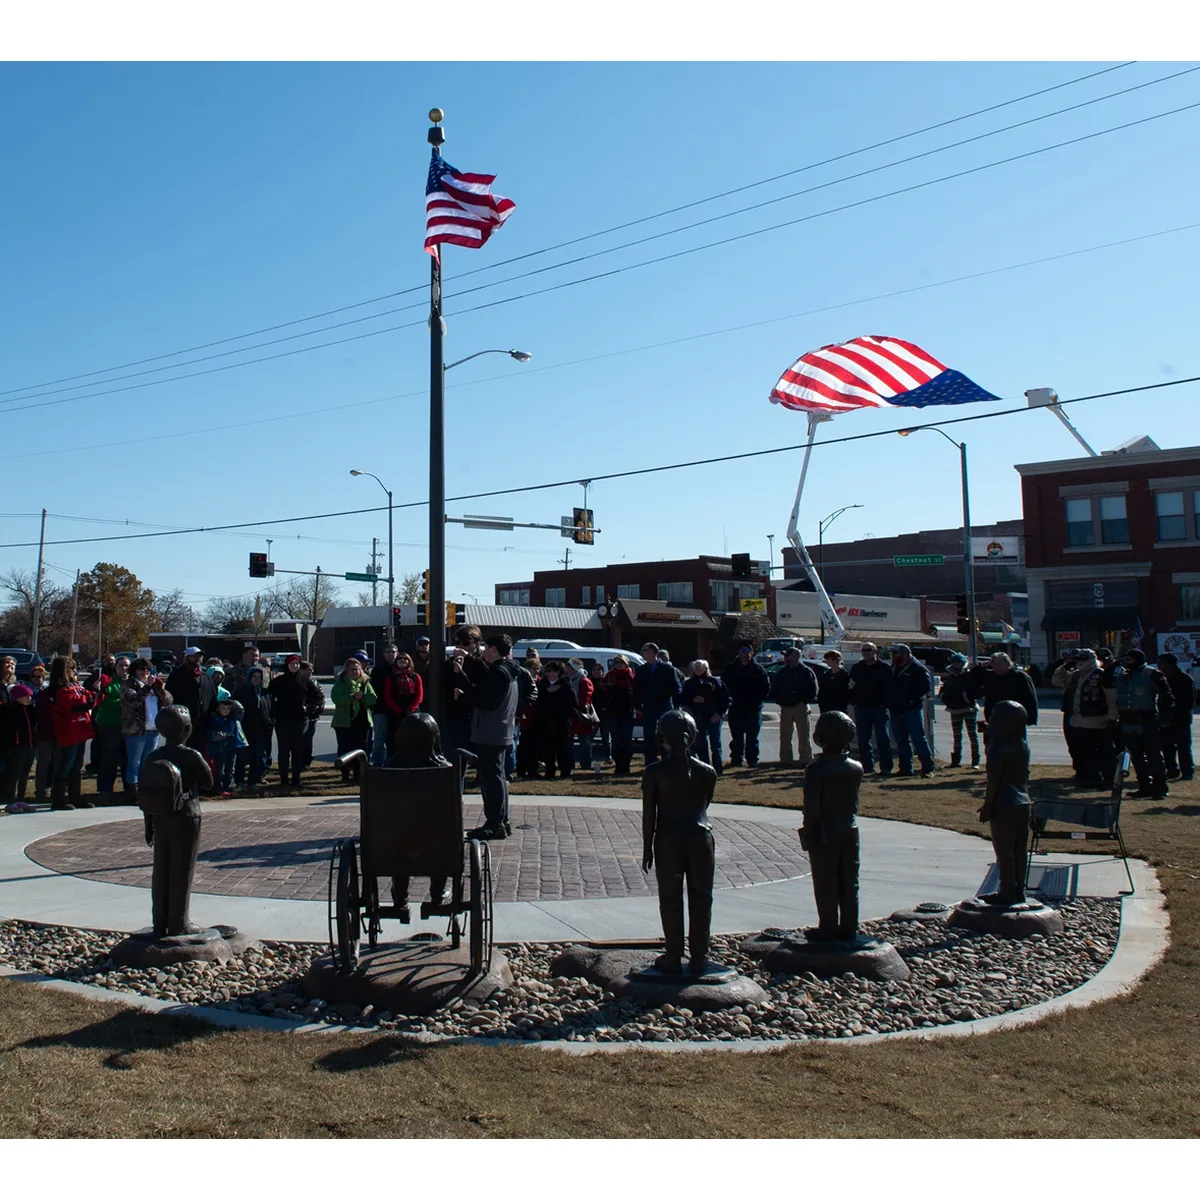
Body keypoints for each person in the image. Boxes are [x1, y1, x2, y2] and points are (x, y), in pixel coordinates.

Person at [140, 705, 212, 939]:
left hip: (159, 817)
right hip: (186, 815)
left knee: (161, 869)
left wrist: (148, 825)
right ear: (187, 728)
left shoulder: (154, 756)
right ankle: (179, 923)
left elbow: (146, 793)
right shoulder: (191, 755)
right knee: (182, 869)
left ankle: (159, 921)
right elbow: (209, 782)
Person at [798, 710, 863, 942]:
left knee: (825, 880)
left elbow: (812, 806)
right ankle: (849, 926)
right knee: (849, 880)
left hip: (825, 829)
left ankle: (827, 926)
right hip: (849, 828)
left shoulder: (816, 770)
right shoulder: (856, 767)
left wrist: (809, 831)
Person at [463, 633, 520, 840]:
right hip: (502, 730)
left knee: (491, 779)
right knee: (498, 777)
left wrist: (465, 693)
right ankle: (501, 821)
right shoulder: (512, 670)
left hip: (491, 732)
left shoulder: (498, 673)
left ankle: (495, 823)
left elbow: (487, 701)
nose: (484, 652)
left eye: (486, 648)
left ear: (495, 650)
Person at [978, 699, 1032, 906]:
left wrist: (988, 806)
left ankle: (1007, 890)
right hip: (1022, 801)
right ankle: (1019, 890)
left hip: (1004, 802)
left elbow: (994, 779)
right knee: (1019, 849)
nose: (990, 720)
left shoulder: (997, 747)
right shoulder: (1022, 745)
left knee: (1004, 851)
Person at [1052, 648, 1116, 786]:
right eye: (1078, 660)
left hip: (1096, 718)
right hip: (1078, 719)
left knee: (1102, 750)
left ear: (1092, 660)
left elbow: (1111, 698)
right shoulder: (1075, 675)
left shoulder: (1101, 675)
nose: (1080, 663)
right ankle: (1089, 776)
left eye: (1083, 659)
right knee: (1083, 750)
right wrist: (1065, 667)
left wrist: (1112, 717)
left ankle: (1108, 778)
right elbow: (1057, 681)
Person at [1115, 649, 1173, 799]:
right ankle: (1144, 786)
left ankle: (1160, 787)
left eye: (1130, 660)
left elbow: (1166, 696)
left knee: (1154, 757)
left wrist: (1164, 717)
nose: (1127, 663)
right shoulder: (1123, 675)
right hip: (1127, 720)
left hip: (1146, 720)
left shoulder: (1151, 674)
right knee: (1137, 757)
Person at [46, 657, 99, 811]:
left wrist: (95, 692)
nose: (74, 672)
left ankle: (75, 796)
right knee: (66, 765)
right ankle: (59, 799)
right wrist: (93, 695)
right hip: (69, 731)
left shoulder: (75, 686)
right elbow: (78, 706)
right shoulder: (60, 690)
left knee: (76, 765)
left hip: (80, 730)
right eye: (71, 669)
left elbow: (88, 697)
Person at [121, 658, 172, 803]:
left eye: (147, 669)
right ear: (135, 671)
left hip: (153, 730)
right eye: (142, 669)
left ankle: (146, 789)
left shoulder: (153, 687)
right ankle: (133, 792)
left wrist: (160, 689)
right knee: (134, 762)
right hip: (136, 731)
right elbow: (134, 701)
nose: (145, 672)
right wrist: (147, 688)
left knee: (148, 762)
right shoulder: (128, 685)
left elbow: (168, 701)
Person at [268, 654, 323, 789]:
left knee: (298, 750)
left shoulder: (305, 681)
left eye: (297, 664)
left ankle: (296, 779)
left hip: (300, 720)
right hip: (283, 720)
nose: (294, 666)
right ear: (287, 665)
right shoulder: (278, 681)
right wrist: (275, 713)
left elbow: (317, 697)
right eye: (292, 664)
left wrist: (308, 708)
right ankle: (284, 779)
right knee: (284, 751)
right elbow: (269, 698)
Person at [885, 644, 935, 777]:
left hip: (911, 709)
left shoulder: (917, 668)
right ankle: (906, 769)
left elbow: (925, 687)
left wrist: (911, 699)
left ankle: (928, 768)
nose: (894, 656)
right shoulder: (893, 668)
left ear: (905, 654)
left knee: (918, 738)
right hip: (896, 709)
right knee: (901, 740)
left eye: (896, 653)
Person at [721, 643, 771, 768]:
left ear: (751, 653)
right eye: (742, 650)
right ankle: (736, 759)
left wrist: (758, 700)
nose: (744, 653)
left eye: (747, 650)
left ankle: (752, 760)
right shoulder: (730, 669)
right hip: (735, 708)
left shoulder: (758, 670)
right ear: (739, 652)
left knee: (752, 737)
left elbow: (766, 687)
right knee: (737, 737)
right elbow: (722, 687)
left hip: (753, 709)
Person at [632, 641, 681, 766]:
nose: (642, 652)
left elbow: (677, 688)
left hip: (664, 705)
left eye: (645, 650)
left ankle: (666, 760)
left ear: (653, 652)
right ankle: (650, 762)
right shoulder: (641, 670)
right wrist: (637, 706)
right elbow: (636, 690)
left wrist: (674, 705)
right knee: (648, 734)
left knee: (665, 733)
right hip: (648, 706)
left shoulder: (667, 669)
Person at [849, 642, 893, 776]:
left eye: (869, 650)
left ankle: (886, 767)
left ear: (875, 651)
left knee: (883, 738)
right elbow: (851, 686)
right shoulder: (857, 668)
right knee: (863, 739)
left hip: (879, 708)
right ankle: (867, 766)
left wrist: (886, 702)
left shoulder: (884, 668)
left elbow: (891, 688)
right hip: (862, 707)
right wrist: (853, 701)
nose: (866, 652)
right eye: (864, 650)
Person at [679, 659, 730, 774]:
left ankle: (718, 769)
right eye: (695, 667)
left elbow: (726, 699)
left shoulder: (715, 682)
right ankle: (705, 769)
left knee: (715, 745)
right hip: (698, 717)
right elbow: (681, 699)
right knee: (701, 744)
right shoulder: (689, 683)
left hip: (713, 717)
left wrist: (719, 713)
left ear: (706, 668)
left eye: (700, 666)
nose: (697, 669)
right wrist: (692, 700)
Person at [442, 626, 486, 758]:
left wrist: (468, 661)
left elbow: (482, 680)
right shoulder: (450, 662)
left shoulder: (481, 662)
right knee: (453, 754)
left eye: (466, 643)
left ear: (477, 643)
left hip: (476, 715)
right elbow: (443, 683)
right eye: (457, 643)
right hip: (455, 715)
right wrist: (454, 669)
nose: (461, 647)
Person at [331, 656, 376, 783]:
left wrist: (364, 697)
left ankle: (358, 775)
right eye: (352, 670)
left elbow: (372, 699)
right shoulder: (341, 683)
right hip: (344, 722)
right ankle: (345, 775)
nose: (355, 672)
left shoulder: (365, 682)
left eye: (357, 669)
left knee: (361, 749)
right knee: (345, 748)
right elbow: (336, 698)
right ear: (347, 671)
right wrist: (352, 697)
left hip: (362, 721)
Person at [770, 646, 818, 765]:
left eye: (788, 655)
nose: (785, 657)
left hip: (800, 707)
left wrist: (803, 701)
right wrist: (779, 701)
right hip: (785, 707)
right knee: (785, 735)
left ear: (795, 656)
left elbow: (813, 689)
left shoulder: (805, 671)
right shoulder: (782, 671)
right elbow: (775, 688)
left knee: (803, 735)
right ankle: (785, 759)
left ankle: (805, 759)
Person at [165, 647, 218, 753]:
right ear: (187, 658)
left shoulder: (206, 677)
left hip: (202, 725)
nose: (197, 659)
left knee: (199, 755)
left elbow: (213, 699)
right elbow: (169, 699)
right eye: (194, 656)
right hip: (182, 725)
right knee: (181, 753)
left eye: (199, 657)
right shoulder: (176, 675)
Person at [970, 652, 1039, 732]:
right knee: (993, 742)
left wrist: (1031, 718)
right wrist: (981, 666)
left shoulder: (1020, 677)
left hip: (1015, 716)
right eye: (993, 664)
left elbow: (1030, 697)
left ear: (1007, 663)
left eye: (998, 663)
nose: (995, 666)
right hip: (993, 716)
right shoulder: (989, 676)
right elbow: (972, 676)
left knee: (1016, 742)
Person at [533, 660, 578, 780]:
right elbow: (537, 701)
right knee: (548, 749)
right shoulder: (542, 684)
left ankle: (565, 772)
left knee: (563, 748)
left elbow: (573, 703)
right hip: (546, 722)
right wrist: (548, 693)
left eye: (550, 670)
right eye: (546, 670)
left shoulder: (566, 684)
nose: (547, 673)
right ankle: (550, 772)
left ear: (558, 672)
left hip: (562, 722)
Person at [93, 656, 130, 799]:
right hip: (110, 725)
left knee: (127, 758)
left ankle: (129, 787)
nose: (124, 668)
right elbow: (105, 702)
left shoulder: (131, 683)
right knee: (110, 758)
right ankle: (105, 788)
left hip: (127, 726)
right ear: (116, 667)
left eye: (127, 665)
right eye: (121, 665)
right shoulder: (108, 682)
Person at [938, 653, 981, 769]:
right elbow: (943, 691)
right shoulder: (949, 677)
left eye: (959, 662)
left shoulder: (969, 676)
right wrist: (944, 698)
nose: (957, 665)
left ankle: (975, 761)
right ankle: (956, 761)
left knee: (972, 735)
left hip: (969, 709)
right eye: (955, 662)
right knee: (957, 736)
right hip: (954, 709)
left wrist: (968, 698)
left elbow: (975, 690)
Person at [1158, 653, 1196, 782]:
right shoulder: (1162, 679)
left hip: (1181, 719)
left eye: (1161, 663)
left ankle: (1187, 772)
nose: (1159, 666)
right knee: (1167, 748)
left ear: (1169, 664)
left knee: (1183, 748)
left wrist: (1175, 713)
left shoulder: (1185, 679)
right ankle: (1172, 771)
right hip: (1165, 719)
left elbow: (1189, 702)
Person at [233, 666, 273, 789]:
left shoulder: (266, 693)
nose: (257, 679)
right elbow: (235, 708)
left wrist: (271, 721)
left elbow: (272, 709)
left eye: (259, 677)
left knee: (258, 756)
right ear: (249, 677)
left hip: (262, 730)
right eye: (254, 677)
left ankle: (253, 781)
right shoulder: (241, 691)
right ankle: (239, 781)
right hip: (245, 729)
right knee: (242, 757)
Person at [1, 684, 38, 813]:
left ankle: (21, 799)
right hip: (16, 746)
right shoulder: (10, 710)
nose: (29, 698)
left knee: (24, 773)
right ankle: (10, 800)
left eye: (30, 695)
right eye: (25, 696)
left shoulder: (31, 710)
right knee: (14, 774)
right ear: (17, 697)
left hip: (30, 744)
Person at [380, 651, 424, 755]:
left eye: (405, 659)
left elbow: (419, 696)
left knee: (413, 737)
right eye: (400, 659)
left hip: (412, 712)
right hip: (395, 713)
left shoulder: (415, 676)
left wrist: (410, 710)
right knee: (394, 738)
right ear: (396, 662)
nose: (402, 660)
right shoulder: (390, 677)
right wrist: (399, 711)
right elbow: (388, 697)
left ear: (409, 662)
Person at [600, 654, 636, 775]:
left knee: (627, 741)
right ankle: (618, 765)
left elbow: (636, 694)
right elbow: (602, 691)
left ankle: (626, 766)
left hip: (627, 712)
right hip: (613, 713)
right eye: (616, 663)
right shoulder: (609, 676)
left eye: (621, 663)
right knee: (615, 741)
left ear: (626, 664)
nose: (619, 665)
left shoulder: (631, 676)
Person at [205, 697, 246, 797]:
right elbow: (212, 735)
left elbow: (240, 710)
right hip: (220, 749)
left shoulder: (232, 719)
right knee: (221, 770)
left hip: (231, 748)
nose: (226, 711)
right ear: (218, 708)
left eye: (228, 708)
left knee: (230, 769)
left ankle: (228, 787)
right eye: (223, 708)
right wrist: (225, 735)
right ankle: (219, 788)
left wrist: (232, 701)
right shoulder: (214, 719)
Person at [369, 643, 401, 766]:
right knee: (379, 739)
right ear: (383, 654)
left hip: (397, 710)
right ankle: (377, 763)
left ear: (397, 653)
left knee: (395, 738)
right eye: (388, 652)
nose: (391, 654)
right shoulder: (378, 670)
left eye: (393, 652)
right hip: (381, 709)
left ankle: (393, 762)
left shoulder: (401, 669)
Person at [563, 658, 597, 772]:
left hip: (581, 715)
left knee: (584, 742)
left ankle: (585, 763)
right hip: (570, 714)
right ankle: (569, 763)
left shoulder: (583, 680)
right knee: (569, 741)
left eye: (569, 667)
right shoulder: (567, 679)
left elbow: (586, 697)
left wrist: (578, 708)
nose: (567, 669)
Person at [514, 650, 542, 779]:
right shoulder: (522, 681)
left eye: (538, 669)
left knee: (535, 747)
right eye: (534, 669)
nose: (536, 671)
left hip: (536, 719)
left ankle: (533, 770)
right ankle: (521, 770)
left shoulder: (541, 682)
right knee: (522, 747)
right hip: (523, 719)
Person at [298, 661, 324, 768]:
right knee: (301, 739)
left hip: (313, 715)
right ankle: (299, 760)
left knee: (309, 739)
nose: (311, 672)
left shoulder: (315, 683)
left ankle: (306, 761)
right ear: (302, 670)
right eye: (309, 669)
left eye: (312, 669)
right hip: (301, 716)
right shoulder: (298, 682)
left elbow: (320, 697)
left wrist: (318, 707)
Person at [817, 649, 853, 715]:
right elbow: (822, 690)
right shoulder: (826, 674)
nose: (826, 661)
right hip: (826, 707)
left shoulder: (844, 675)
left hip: (840, 707)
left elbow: (847, 691)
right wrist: (821, 703)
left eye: (828, 659)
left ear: (834, 659)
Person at [589, 661, 612, 763]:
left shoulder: (606, 682)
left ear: (603, 672)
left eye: (599, 670)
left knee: (606, 738)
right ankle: (587, 758)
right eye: (594, 670)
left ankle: (607, 757)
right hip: (592, 713)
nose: (596, 672)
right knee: (589, 737)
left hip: (605, 713)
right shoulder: (589, 682)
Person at [412, 635, 433, 713]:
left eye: (426, 643)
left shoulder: (435, 658)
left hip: (432, 695)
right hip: (417, 695)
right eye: (421, 644)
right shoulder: (412, 661)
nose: (424, 646)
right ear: (417, 646)